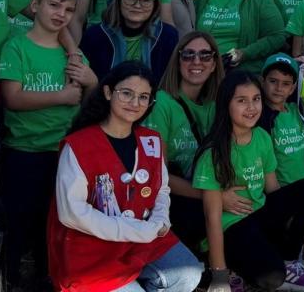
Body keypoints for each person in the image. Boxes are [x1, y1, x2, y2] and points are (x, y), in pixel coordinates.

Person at [49, 61, 204, 292]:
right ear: (108, 92)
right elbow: (71, 212)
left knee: (188, 275)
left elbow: (161, 188)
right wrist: (138, 230)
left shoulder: (150, 140)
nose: (135, 103)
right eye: (127, 94)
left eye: (144, 97)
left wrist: (160, 219)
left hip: (143, 239)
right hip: (92, 248)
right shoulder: (79, 145)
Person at [0, 0, 97, 289]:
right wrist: (61, 96)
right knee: (16, 222)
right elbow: (11, 98)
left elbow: (91, 104)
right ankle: (9, 279)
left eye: (68, 10)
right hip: (22, 152)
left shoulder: (74, 56)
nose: (60, 14)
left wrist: (92, 82)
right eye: (54, 5)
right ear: (35, 4)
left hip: (63, 153)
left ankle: (46, 278)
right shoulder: (17, 47)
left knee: (52, 222)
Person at [193, 71, 304, 292]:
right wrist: (219, 276)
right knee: (272, 278)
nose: (251, 107)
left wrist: (291, 227)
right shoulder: (214, 152)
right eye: (242, 101)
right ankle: (231, 267)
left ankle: (288, 259)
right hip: (231, 228)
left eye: (256, 99)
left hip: (259, 215)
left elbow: (272, 190)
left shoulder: (262, 137)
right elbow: (212, 218)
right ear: (226, 104)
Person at [142, 32, 225, 252]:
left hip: (207, 190)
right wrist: (214, 197)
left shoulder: (218, 102)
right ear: (177, 61)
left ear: (215, 63)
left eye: (205, 55)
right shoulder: (162, 104)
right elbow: (156, 175)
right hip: (174, 198)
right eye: (188, 55)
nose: (196, 61)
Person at [82, 0, 179, 84]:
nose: (137, 5)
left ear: (155, 5)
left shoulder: (168, 37)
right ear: (119, 0)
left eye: (146, 0)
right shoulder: (94, 36)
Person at [258, 53, 304, 189]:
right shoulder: (259, 116)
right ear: (262, 82)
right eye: (273, 81)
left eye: (286, 83)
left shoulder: (299, 109)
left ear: (292, 88)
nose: (278, 88)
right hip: (282, 190)